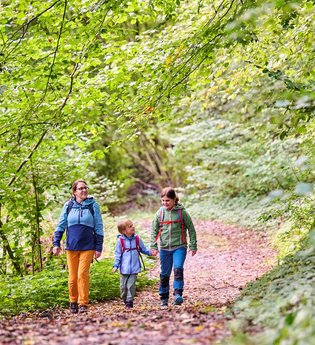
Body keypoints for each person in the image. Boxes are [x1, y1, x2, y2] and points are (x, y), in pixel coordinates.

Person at [53, 179, 104, 314]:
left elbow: (99, 226)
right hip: (71, 246)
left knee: (83, 274)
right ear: (74, 192)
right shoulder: (68, 205)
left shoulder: (94, 206)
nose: (84, 190)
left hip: (88, 245)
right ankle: (73, 301)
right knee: (72, 277)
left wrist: (99, 247)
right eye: (81, 188)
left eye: (85, 188)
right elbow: (61, 225)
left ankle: (83, 303)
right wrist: (56, 243)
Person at [151, 187, 197, 306]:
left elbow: (191, 229)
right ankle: (164, 297)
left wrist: (193, 245)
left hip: (179, 246)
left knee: (178, 268)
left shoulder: (182, 212)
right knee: (165, 273)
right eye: (163, 200)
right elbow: (154, 231)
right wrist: (153, 246)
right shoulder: (160, 213)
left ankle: (178, 294)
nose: (165, 203)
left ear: (174, 200)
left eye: (168, 200)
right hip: (165, 248)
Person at [113, 219, 157, 309]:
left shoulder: (137, 239)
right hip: (123, 268)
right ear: (124, 231)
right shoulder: (120, 241)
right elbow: (117, 254)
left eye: (132, 225)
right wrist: (115, 266)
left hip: (134, 268)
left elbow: (143, 249)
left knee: (131, 285)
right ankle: (125, 298)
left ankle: (129, 301)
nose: (133, 227)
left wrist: (150, 253)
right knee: (123, 287)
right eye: (130, 226)